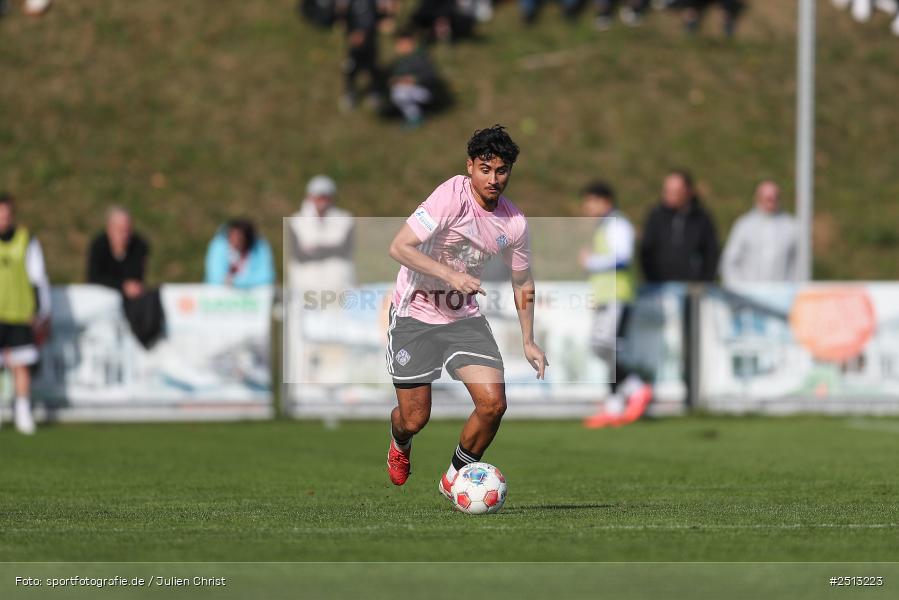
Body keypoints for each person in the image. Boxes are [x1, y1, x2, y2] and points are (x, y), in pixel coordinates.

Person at [384, 125, 548, 500]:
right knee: (414, 419)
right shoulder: (450, 196)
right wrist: (449, 275)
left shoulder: (514, 223)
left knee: (493, 405)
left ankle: (454, 478)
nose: (494, 179)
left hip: (463, 319)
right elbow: (399, 246)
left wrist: (528, 340)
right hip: (415, 314)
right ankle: (399, 441)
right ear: (470, 166)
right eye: (485, 169)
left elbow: (522, 281)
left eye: (502, 170)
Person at [576, 182, 652, 428]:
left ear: (604, 200)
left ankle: (635, 388)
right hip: (607, 297)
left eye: (590, 201)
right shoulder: (607, 225)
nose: (587, 207)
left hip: (617, 296)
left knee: (607, 347)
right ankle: (615, 404)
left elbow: (623, 258)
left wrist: (592, 262)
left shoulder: (618, 223)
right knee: (606, 349)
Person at [0, 194, 51, 435]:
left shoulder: (26, 239)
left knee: (21, 365)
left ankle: (22, 412)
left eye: (6, 214)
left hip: (20, 313)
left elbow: (38, 278)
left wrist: (41, 311)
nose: (3, 219)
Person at [87, 207, 164, 348]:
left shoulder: (139, 246)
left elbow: (137, 278)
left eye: (128, 230)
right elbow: (93, 278)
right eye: (120, 230)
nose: (125, 234)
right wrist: (122, 286)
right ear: (110, 228)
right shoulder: (98, 247)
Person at [639, 169, 719, 284]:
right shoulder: (656, 216)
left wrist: (705, 281)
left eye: (675, 192)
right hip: (660, 286)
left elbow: (711, 252)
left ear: (688, 191)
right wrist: (651, 278)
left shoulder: (701, 218)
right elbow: (646, 251)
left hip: (693, 286)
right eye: (667, 191)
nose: (669, 196)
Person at [286, 176, 355, 297]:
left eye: (326, 197)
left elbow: (345, 249)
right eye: (319, 197)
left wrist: (315, 248)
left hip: (337, 285)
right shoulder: (296, 221)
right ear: (310, 197)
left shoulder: (345, 219)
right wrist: (332, 248)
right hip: (306, 285)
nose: (322, 201)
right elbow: (298, 254)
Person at [720, 181, 799, 286]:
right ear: (758, 199)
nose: (771, 202)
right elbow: (729, 261)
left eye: (775, 198)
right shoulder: (744, 225)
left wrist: (794, 287)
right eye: (767, 199)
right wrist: (738, 287)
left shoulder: (791, 226)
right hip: (750, 294)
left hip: (783, 294)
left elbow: (799, 263)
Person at [387, 28, 446, 128]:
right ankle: (413, 117)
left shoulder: (420, 57)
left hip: (427, 91)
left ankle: (415, 118)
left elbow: (431, 76)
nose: (399, 46)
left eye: (402, 43)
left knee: (400, 93)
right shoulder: (400, 61)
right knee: (398, 91)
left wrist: (414, 79)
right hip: (411, 91)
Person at [338, 0, 383, 111]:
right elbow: (342, 11)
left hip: (370, 39)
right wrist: (351, 32)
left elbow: (384, 10)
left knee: (373, 67)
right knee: (350, 67)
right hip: (354, 40)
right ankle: (350, 93)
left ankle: (375, 92)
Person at [204, 219, 276, 289]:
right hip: (221, 294)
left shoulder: (259, 247)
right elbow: (214, 276)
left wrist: (236, 282)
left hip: (251, 295)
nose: (235, 240)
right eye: (232, 235)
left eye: (239, 237)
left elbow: (267, 276)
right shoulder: (219, 245)